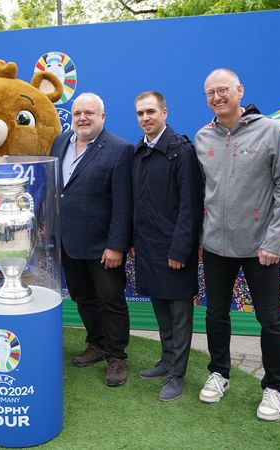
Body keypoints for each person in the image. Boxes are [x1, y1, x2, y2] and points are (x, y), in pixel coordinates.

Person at [195, 68, 280, 420]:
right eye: (210, 92)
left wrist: (273, 240)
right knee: (215, 314)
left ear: (239, 90)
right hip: (214, 247)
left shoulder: (270, 131)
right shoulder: (202, 137)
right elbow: (199, 194)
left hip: (260, 249)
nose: (216, 97)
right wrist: (199, 239)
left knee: (269, 319)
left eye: (222, 90)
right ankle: (219, 373)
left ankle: (273, 387)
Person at [50, 92, 133, 387]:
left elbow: (123, 204)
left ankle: (116, 357)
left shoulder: (120, 149)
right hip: (68, 242)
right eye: (77, 113)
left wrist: (116, 245)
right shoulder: (60, 143)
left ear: (102, 117)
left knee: (111, 301)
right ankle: (97, 344)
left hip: (103, 246)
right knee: (83, 298)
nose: (82, 118)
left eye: (89, 113)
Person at [132, 91, 203, 401]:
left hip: (174, 248)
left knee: (179, 312)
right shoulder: (139, 151)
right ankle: (166, 359)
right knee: (160, 306)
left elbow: (191, 205)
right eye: (140, 113)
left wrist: (180, 250)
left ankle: (178, 373)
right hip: (148, 246)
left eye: (150, 111)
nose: (145, 118)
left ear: (164, 112)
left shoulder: (181, 150)